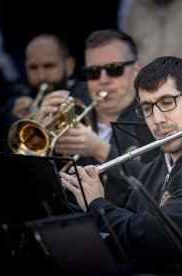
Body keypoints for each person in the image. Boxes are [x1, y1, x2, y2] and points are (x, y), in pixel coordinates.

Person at [60, 56, 182, 275]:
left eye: (166, 103)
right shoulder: (157, 166)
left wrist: (98, 205)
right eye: (147, 107)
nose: (157, 119)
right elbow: (128, 238)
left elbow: (157, 236)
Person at [39, 29, 145, 208]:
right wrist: (40, 138)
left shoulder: (153, 119)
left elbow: (157, 183)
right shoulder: (69, 111)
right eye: (93, 72)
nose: (103, 80)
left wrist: (101, 150)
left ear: (136, 70)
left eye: (114, 69)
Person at [10, 33, 90, 119]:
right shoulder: (15, 103)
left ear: (69, 66)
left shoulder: (88, 97)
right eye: (33, 68)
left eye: (49, 66)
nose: (42, 77)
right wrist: (12, 121)